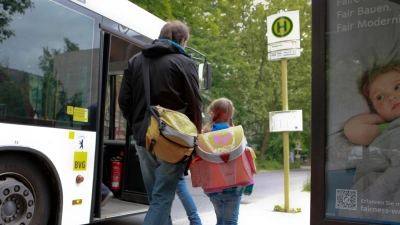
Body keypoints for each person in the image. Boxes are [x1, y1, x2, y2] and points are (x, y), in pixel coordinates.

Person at [118, 20, 202, 225]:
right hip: (173, 138)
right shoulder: (184, 62)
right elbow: (195, 105)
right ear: (182, 40)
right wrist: (195, 139)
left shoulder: (135, 61)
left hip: (143, 137)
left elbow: (124, 102)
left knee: (157, 199)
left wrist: (140, 124)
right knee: (163, 197)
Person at [339, 61, 400, 221]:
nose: (391, 97)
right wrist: (378, 118)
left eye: (398, 87)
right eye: (380, 97)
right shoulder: (387, 128)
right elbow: (353, 130)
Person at [201, 97, 254, 225]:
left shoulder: (203, 135)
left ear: (211, 112)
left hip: (212, 188)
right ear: (230, 114)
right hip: (233, 186)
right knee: (230, 221)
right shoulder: (237, 134)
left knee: (220, 219)